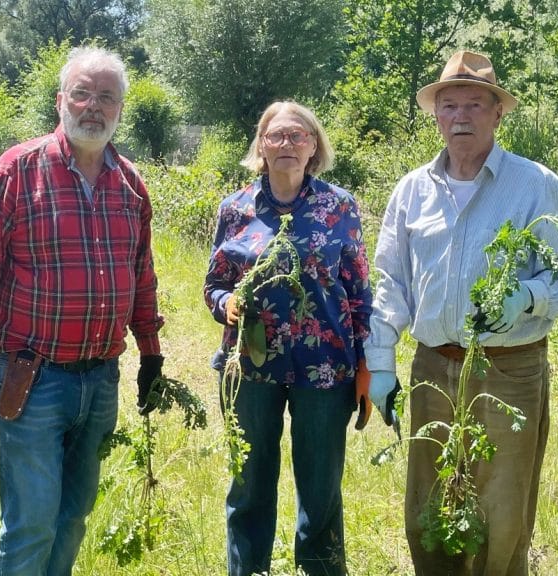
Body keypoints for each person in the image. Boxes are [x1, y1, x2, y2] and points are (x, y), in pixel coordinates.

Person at [0, 46, 165, 576]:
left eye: (106, 97)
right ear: (61, 100)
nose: (93, 107)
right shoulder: (18, 170)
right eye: (82, 93)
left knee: (74, 516)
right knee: (31, 522)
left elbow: (143, 279)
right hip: (32, 378)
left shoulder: (130, 184)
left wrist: (151, 356)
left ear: (120, 110)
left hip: (101, 379)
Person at [366, 50, 558, 575]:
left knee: (502, 509)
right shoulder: (413, 189)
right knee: (430, 502)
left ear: (498, 112)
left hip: (509, 369)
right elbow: (391, 278)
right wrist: (381, 357)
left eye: (475, 104)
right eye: (450, 105)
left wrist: (526, 296)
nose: (461, 116)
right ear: (436, 115)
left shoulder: (536, 185)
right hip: (433, 366)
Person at [204, 101, 372, 576]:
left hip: (327, 369)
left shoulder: (339, 206)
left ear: (314, 147)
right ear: (260, 144)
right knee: (250, 488)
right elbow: (213, 283)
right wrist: (226, 304)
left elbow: (359, 290)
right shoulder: (235, 209)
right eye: (276, 136)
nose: (286, 144)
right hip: (250, 369)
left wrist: (365, 367)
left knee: (320, 493)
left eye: (298, 136)